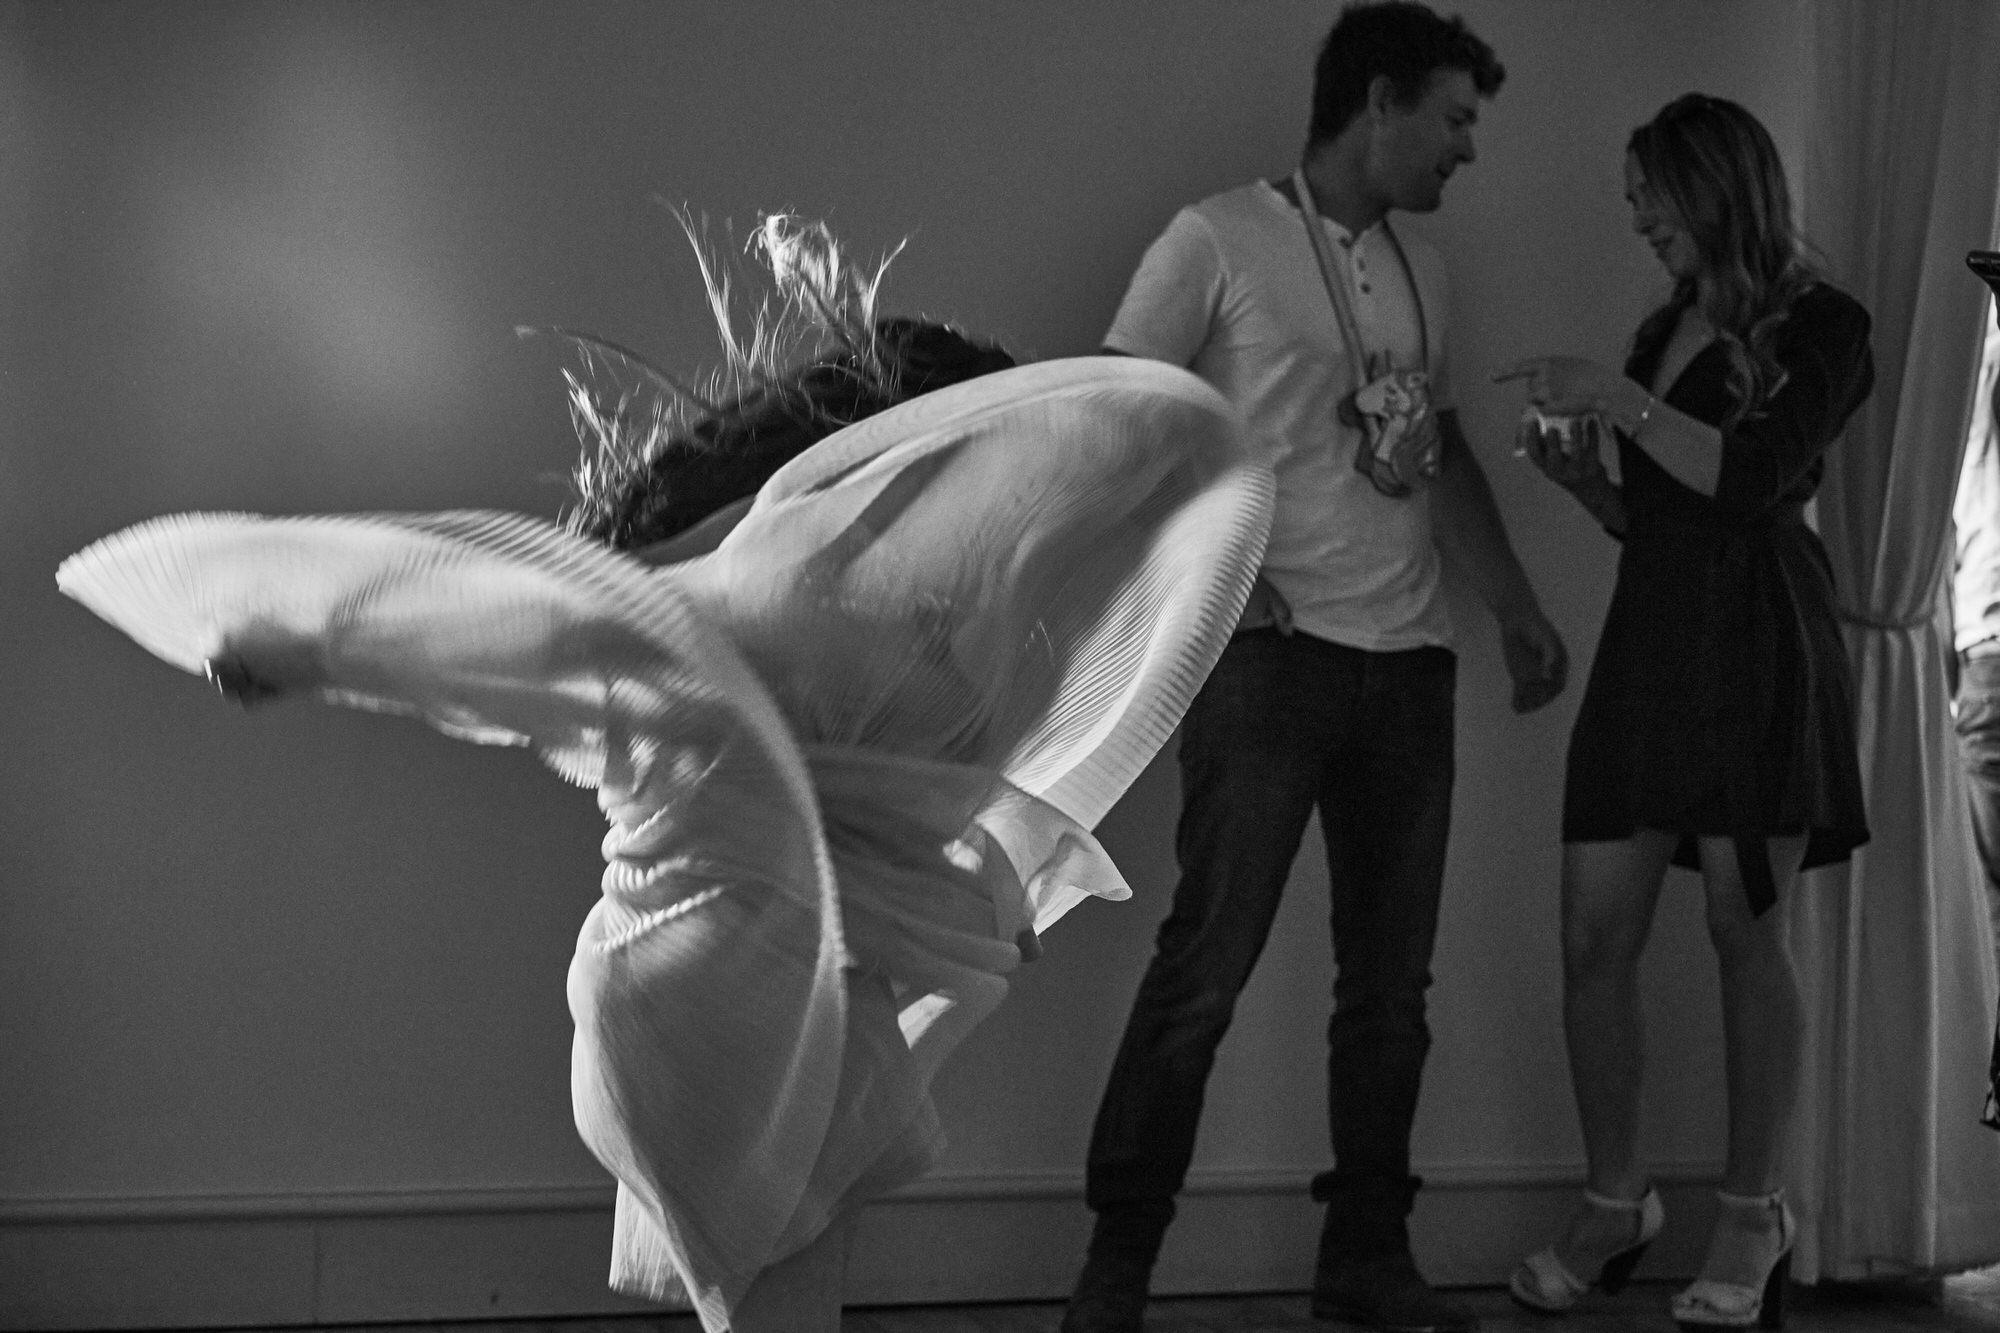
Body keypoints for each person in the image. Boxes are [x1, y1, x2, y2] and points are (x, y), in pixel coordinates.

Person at [56, 219, 1276, 1333]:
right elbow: (534, 634)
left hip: (726, 980)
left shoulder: (842, 618)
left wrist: (307, 647)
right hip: (731, 985)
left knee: (770, 1307)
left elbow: (551, 634)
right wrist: (311, 640)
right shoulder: (787, 611)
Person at [1063, 7, 1567, 1332]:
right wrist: (1221, 581)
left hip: (1409, 667)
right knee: (1203, 972)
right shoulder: (1215, 240)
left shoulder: (1427, 271)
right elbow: (1123, 424)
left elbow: (1438, 452)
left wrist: (1513, 608)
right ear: (1381, 102)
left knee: (1390, 991)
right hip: (1268, 665)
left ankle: (1367, 1256)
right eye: (1454, 118)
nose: (1466, 149)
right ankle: (1117, 1267)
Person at [1496, 94, 1874, 1328]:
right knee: (1590, 938)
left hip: (1760, 644)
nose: (1636, 217)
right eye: (1631, 199)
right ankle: (1617, 1203)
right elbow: (1657, 517)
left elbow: (1754, 477)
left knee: (1737, 927)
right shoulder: (1664, 326)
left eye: (1649, 192)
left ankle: (1753, 1212)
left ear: (1716, 185)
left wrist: (1616, 400)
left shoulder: (1825, 324)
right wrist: (1584, 486)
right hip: (1651, 644)